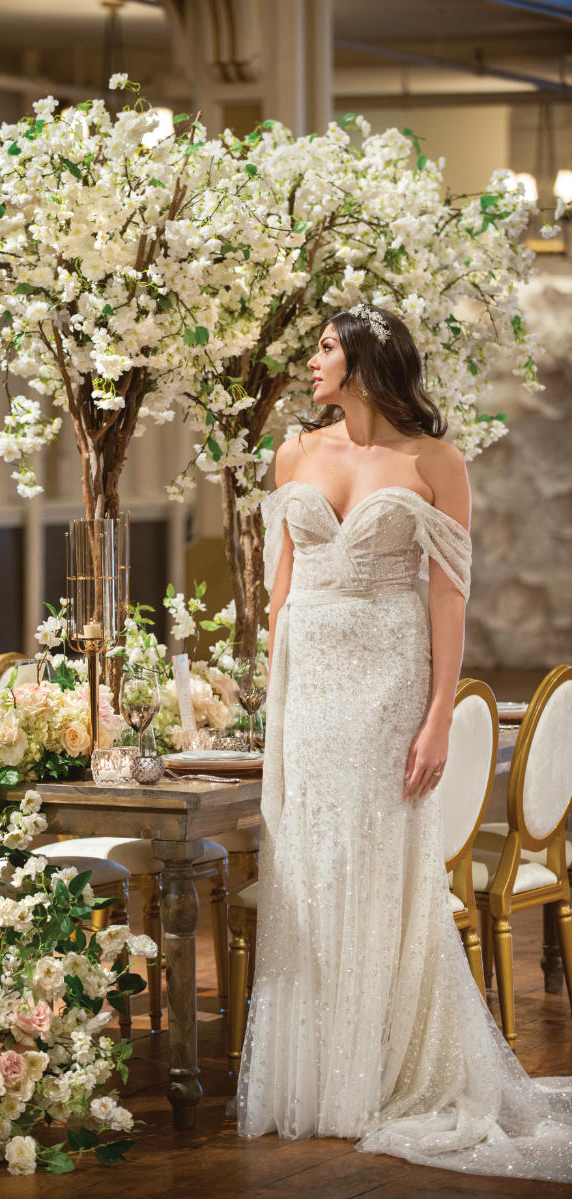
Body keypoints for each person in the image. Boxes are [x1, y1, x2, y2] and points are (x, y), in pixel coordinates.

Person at [234, 304, 572, 1181]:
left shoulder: (436, 462)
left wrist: (435, 718)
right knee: (311, 865)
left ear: (365, 361)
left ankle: (386, 1072)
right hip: (308, 693)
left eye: (324, 348)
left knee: (382, 866)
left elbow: (448, 600)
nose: (310, 362)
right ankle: (319, 1077)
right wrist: (273, 696)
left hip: (388, 685)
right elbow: (277, 591)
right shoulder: (296, 453)